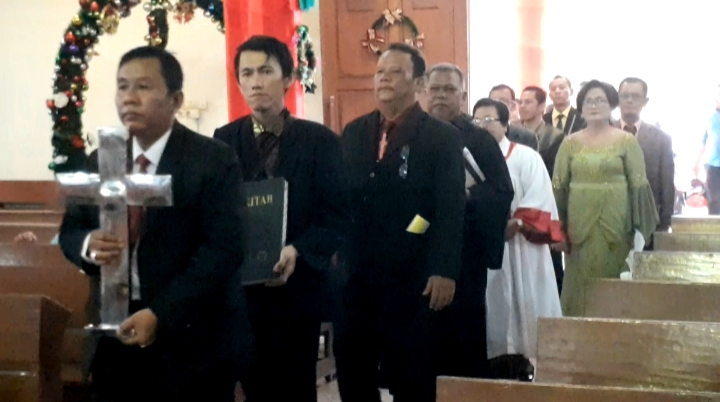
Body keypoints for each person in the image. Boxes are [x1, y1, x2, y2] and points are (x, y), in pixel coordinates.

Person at [58, 46, 253, 402]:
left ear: (176, 99)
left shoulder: (212, 159)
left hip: (192, 341)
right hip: (115, 336)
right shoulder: (102, 158)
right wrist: (87, 246)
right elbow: (71, 230)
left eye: (143, 87)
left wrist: (161, 314)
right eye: (122, 86)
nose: (129, 98)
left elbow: (224, 249)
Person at [213, 35, 348, 402]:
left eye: (265, 71)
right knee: (251, 386)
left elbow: (336, 217)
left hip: (297, 291)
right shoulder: (223, 140)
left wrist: (298, 250)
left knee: (293, 390)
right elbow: (217, 213)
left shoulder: (320, 141)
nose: (256, 82)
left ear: (288, 78)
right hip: (241, 294)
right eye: (247, 74)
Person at [335, 43, 465, 402]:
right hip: (357, 274)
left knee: (412, 378)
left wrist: (444, 269)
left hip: (413, 275)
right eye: (380, 72)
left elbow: (448, 208)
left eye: (395, 72)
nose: (384, 79)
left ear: (418, 83)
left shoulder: (440, 136)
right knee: (354, 372)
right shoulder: (355, 131)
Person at [424, 63, 514, 378]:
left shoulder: (478, 140)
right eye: (435, 89)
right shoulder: (415, 133)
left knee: (463, 334)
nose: (440, 95)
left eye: (449, 89)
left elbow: (502, 190)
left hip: (465, 252)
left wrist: (463, 198)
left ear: (463, 96)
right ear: (424, 92)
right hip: (419, 251)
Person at [553, 80, 659, 316]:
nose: (594, 105)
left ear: (611, 104)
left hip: (616, 222)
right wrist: (557, 229)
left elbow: (639, 185)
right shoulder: (569, 143)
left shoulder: (626, 141)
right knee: (579, 281)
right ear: (581, 107)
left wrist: (639, 231)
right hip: (579, 224)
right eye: (588, 101)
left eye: (600, 100)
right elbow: (558, 188)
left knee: (613, 279)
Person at [473, 98, 563, 361]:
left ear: (505, 125)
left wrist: (518, 222)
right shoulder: (469, 159)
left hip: (522, 244)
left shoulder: (525, 157)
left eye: (489, 120)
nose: (482, 126)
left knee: (529, 301)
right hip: (486, 245)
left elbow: (540, 194)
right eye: (477, 121)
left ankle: (533, 359)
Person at [518, 85, 566, 294]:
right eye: (520, 102)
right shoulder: (513, 132)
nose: (522, 106)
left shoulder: (554, 136)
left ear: (541, 106)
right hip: (518, 203)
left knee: (549, 265)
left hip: (542, 203)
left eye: (528, 102)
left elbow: (554, 175)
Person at [617, 77, 674, 236]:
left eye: (635, 96)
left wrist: (665, 222)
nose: (629, 100)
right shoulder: (604, 134)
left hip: (647, 220)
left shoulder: (661, 139)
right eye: (625, 96)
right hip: (610, 218)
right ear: (617, 99)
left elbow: (667, 183)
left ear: (645, 101)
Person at [694, 85, 720, 215]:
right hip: (712, 165)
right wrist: (696, 162)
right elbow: (703, 141)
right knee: (714, 201)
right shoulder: (710, 118)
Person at [489, 84, 538, 149]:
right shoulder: (479, 133)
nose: (497, 105)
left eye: (503, 101)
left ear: (512, 105)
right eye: (493, 101)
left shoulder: (527, 137)